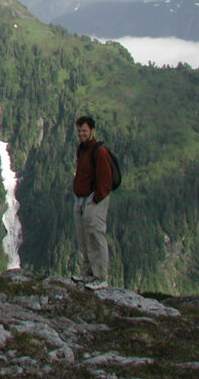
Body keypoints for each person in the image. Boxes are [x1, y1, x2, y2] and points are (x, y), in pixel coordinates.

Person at [71, 115, 112, 290]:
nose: (81, 134)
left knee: (95, 235)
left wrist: (96, 198)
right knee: (83, 237)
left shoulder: (99, 151)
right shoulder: (81, 149)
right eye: (79, 131)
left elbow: (106, 180)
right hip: (81, 199)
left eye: (84, 131)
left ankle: (100, 277)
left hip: (94, 199)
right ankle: (87, 273)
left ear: (92, 131)